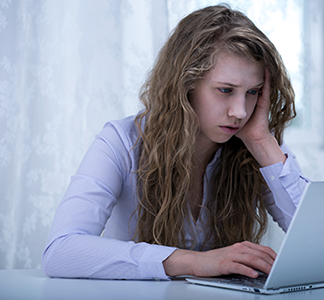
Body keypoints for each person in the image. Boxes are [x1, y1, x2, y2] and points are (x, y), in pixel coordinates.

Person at [42, 4, 308, 280]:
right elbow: (60, 251)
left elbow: (320, 240)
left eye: (252, 92)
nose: (240, 111)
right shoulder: (121, 142)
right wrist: (194, 262)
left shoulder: (257, 143)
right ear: (185, 85)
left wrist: (261, 142)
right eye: (225, 90)